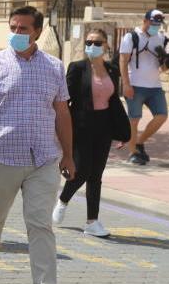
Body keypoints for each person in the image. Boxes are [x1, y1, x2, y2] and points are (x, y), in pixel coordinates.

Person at [0, 6, 75, 284]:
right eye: (13, 27)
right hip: (3, 156)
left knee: (40, 224)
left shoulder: (54, 67)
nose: (17, 33)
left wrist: (68, 154)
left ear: (38, 32)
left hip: (44, 158)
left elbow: (62, 113)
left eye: (24, 28)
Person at [54, 29, 129, 237]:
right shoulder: (77, 68)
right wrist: (61, 128)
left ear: (106, 45)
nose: (92, 46)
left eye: (97, 42)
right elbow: (64, 100)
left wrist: (122, 131)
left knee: (96, 175)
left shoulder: (112, 69)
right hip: (81, 126)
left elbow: (114, 102)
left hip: (103, 127)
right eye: (89, 42)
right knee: (82, 170)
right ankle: (63, 200)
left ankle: (92, 222)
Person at [119, 9, 169, 165]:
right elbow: (123, 61)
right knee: (134, 119)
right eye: (153, 24)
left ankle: (139, 142)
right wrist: (126, 84)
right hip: (135, 85)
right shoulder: (131, 37)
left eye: (158, 25)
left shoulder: (161, 38)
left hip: (155, 86)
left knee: (162, 115)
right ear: (145, 21)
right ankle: (133, 152)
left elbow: (163, 67)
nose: (155, 27)